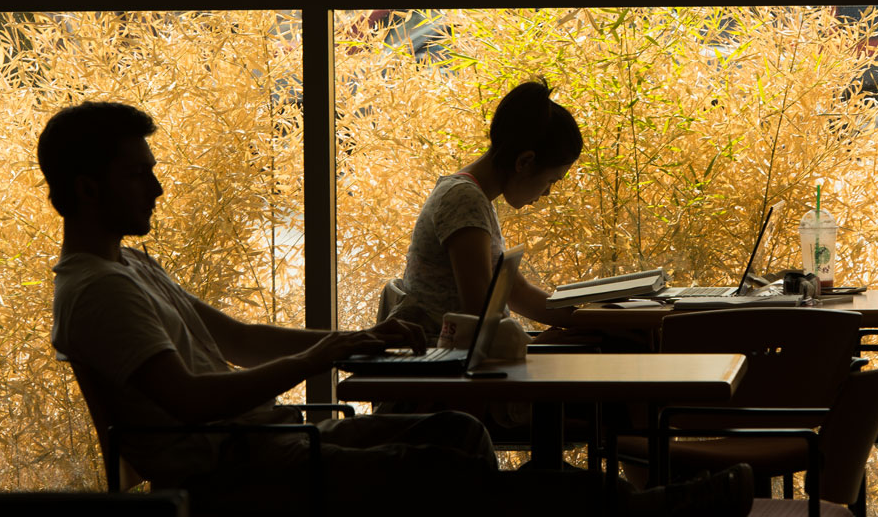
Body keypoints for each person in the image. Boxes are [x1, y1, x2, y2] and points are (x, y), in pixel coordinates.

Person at [39, 100, 752, 516]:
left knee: (455, 434)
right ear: (88, 189)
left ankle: (626, 510)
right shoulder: (97, 290)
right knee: (450, 465)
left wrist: (349, 339)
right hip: (237, 469)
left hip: (265, 443)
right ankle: (640, 512)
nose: (157, 188)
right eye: (139, 174)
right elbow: (190, 401)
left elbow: (237, 336)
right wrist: (314, 359)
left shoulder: (132, 265)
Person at [387, 79, 584, 341]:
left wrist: (590, 320)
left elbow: (515, 291)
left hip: (457, 357)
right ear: (525, 162)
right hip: (445, 366)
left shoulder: (472, 197)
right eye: (551, 181)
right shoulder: (463, 200)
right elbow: (480, 322)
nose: (547, 193)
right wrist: (545, 342)